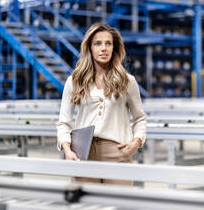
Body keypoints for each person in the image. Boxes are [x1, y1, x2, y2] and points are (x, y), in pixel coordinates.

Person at [57, 23, 146, 185]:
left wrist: (136, 142)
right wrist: (67, 149)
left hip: (117, 152)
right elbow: (64, 122)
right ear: (89, 48)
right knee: (86, 204)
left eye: (108, 43)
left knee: (119, 204)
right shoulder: (74, 81)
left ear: (114, 48)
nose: (103, 48)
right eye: (97, 43)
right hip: (82, 153)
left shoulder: (128, 81)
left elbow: (140, 118)